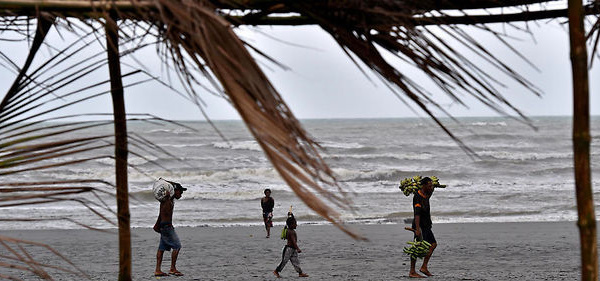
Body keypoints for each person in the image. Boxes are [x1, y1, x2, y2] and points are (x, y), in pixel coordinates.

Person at [153, 181, 187, 277]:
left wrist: (157, 225)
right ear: (175, 191)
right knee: (177, 246)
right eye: (180, 192)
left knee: (162, 248)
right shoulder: (167, 199)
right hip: (167, 226)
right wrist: (168, 196)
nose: (181, 194)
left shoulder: (168, 200)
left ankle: (157, 270)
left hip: (164, 226)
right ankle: (172, 268)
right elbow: (163, 212)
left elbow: (161, 214)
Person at [409, 177, 437, 278]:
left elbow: (432, 190)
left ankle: (424, 267)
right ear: (424, 186)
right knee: (416, 248)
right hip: (419, 226)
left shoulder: (427, 194)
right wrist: (417, 229)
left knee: (433, 244)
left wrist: (434, 185)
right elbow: (417, 214)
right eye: (429, 186)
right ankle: (412, 271)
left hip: (426, 225)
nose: (431, 187)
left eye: (432, 186)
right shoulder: (418, 197)